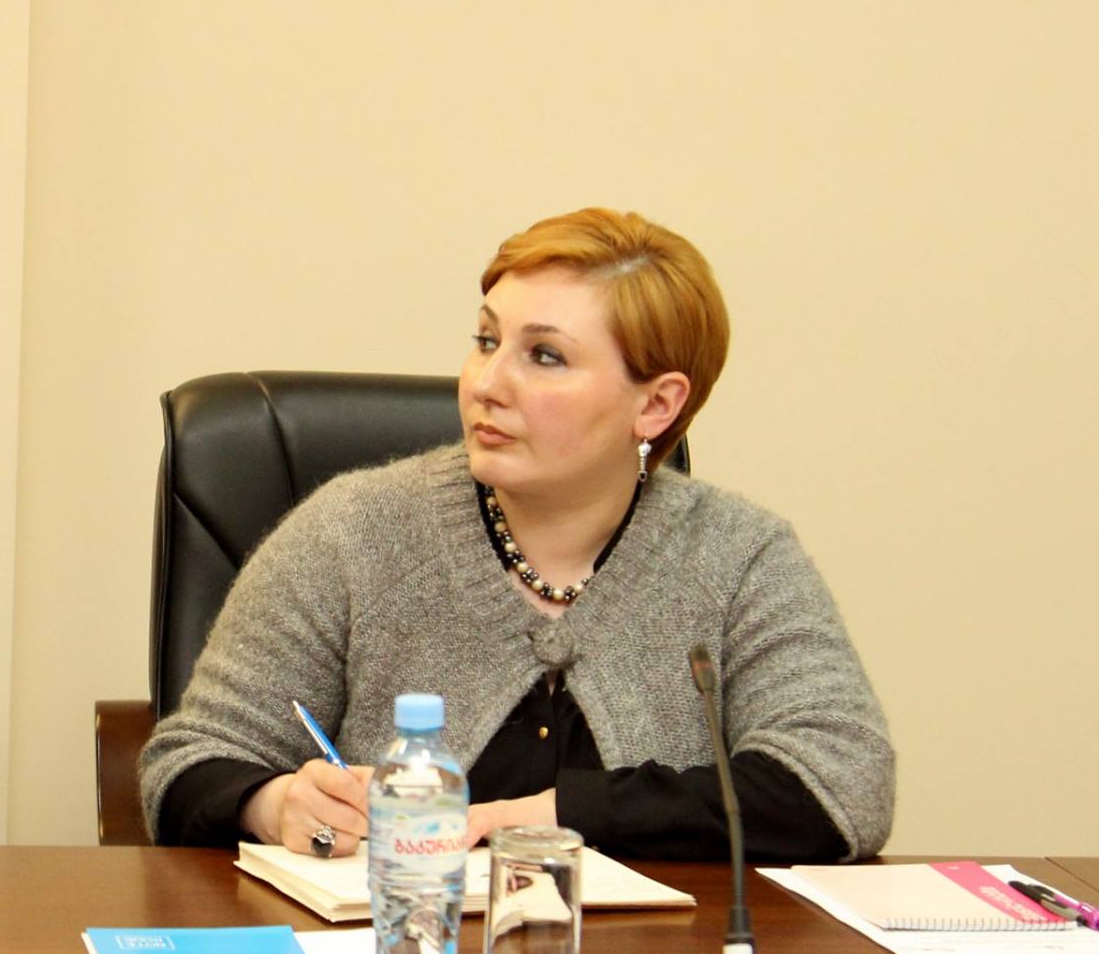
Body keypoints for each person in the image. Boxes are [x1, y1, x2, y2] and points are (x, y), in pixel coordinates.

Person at [139, 208, 893, 863]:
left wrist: (551, 816)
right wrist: (274, 804)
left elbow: (843, 782)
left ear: (657, 406)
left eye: (545, 356)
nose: (486, 383)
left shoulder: (739, 556)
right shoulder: (352, 530)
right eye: (486, 340)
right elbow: (189, 761)